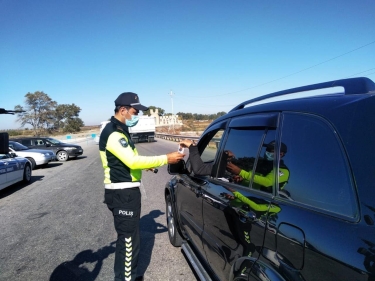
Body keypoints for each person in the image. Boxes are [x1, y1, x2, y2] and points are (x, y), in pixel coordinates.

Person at [99, 92, 185, 281]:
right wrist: (166, 158)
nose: (137, 115)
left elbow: (126, 160)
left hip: (125, 192)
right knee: (128, 244)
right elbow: (131, 160)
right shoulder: (114, 132)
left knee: (130, 241)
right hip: (122, 193)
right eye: (134, 111)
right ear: (123, 110)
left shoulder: (120, 129)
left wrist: (147, 165)